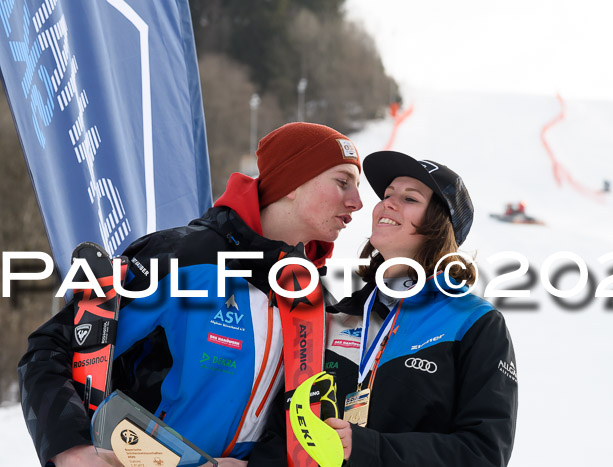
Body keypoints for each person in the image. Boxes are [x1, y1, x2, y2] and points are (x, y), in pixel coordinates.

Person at [17, 122, 363, 466]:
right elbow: (50, 349)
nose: (357, 202)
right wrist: (70, 448)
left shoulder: (310, 296)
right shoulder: (183, 257)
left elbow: (292, 415)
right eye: (342, 182)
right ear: (293, 184)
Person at [321, 150, 518, 466]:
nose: (388, 203)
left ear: (439, 225)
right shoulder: (340, 315)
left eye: (410, 199)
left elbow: (483, 454)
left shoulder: (474, 322)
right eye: (387, 195)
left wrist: (368, 448)